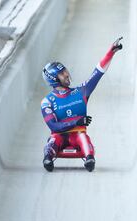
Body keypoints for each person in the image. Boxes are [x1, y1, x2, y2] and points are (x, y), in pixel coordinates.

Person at [40, 37, 123, 172]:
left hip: (77, 135)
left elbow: (98, 73)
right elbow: (53, 125)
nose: (66, 74)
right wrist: (77, 121)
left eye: (65, 70)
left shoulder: (81, 92)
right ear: (54, 80)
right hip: (59, 136)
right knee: (53, 141)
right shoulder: (47, 101)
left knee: (83, 137)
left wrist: (111, 52)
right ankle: (48, 157)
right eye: (62, 74)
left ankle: (89, 158)